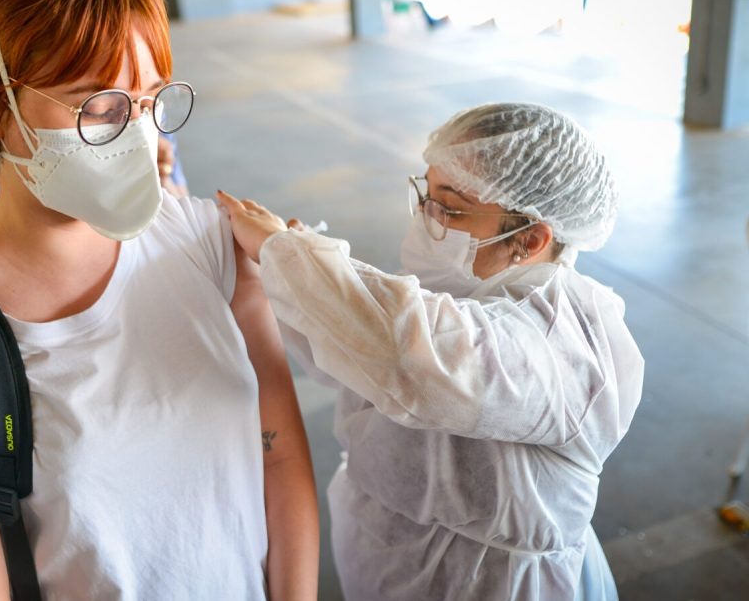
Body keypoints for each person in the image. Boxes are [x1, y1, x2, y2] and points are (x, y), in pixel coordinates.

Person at [0, 0, 318, 599]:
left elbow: (281, 453)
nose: (137, 133)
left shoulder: (208, 245)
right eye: (97, 106)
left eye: (150, 98)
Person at [217, 102, 643, 600]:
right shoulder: (472, 287)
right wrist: (303, 276)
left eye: (450, 206)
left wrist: (288, 257)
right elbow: (359, 358)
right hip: (397, 558)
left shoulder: (564, 346)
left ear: (529, 239)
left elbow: (413, 357)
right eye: (426, 195)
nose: (427, 218)